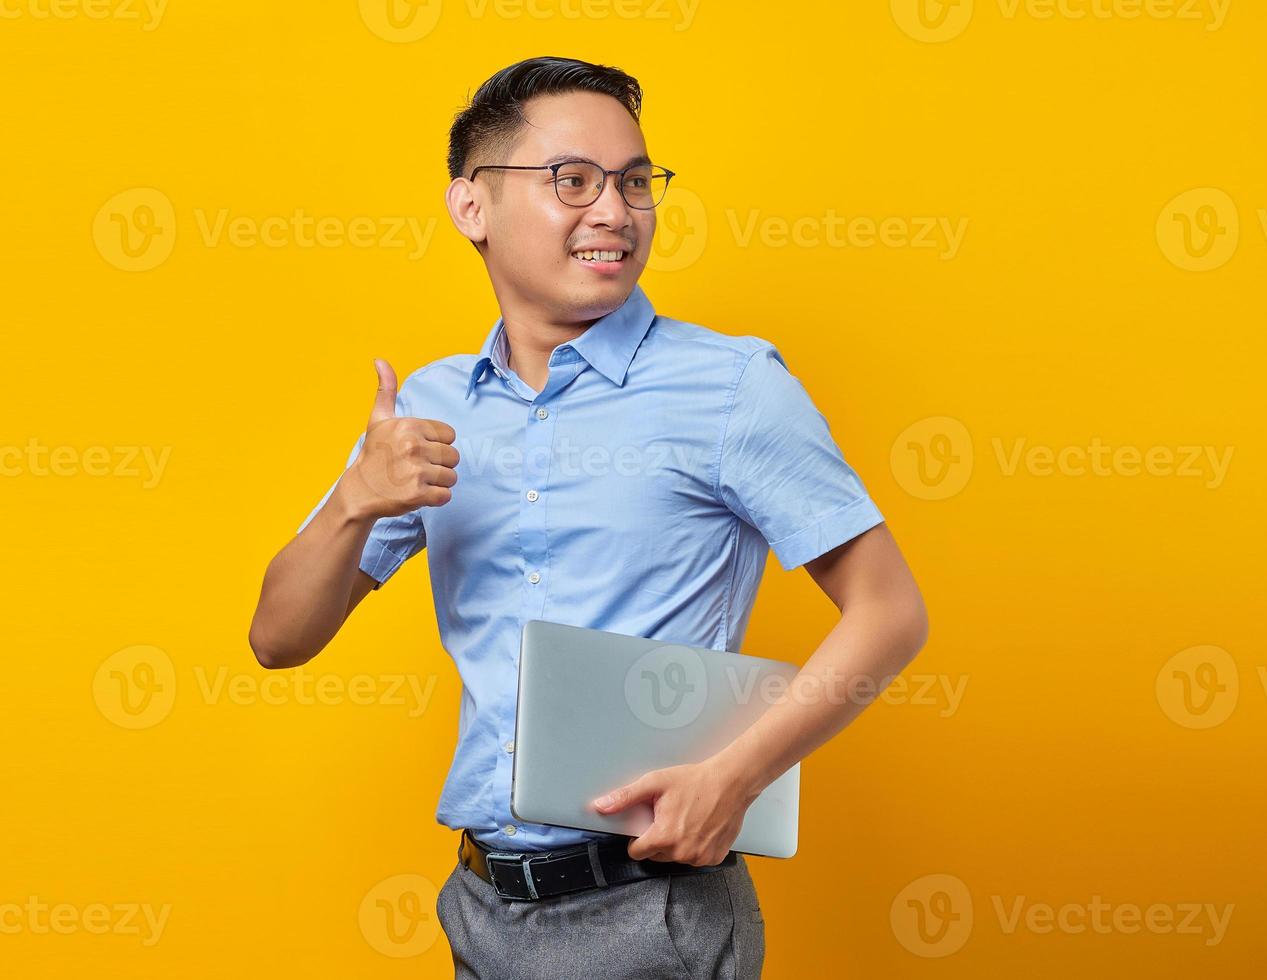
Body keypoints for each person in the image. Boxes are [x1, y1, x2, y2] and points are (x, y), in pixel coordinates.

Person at [248, 55, 929, 980]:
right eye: (572, 180)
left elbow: (891, 613)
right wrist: (354, 503)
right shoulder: (431, 406)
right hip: (481, 909)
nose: (614, 212)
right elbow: (279, 639)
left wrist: (734, 778)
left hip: (655, 910)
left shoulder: (730, 389)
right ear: (471, 208)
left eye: (636, 181)